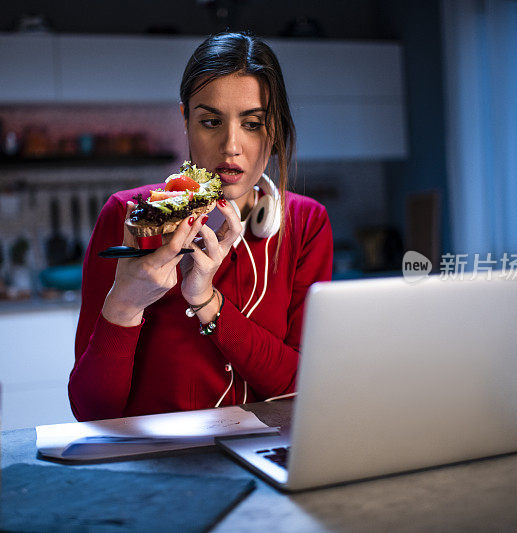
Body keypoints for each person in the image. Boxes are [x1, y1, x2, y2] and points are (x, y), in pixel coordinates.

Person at [69, 32, 333, 421]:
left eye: (253, 123)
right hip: (160, 465)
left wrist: (207, 301)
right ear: (185, 121)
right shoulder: (127, 216)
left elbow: (301, 385)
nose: (231, 145)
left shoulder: (306, 223)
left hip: (267, 461)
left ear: (273, 128)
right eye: (210, 121)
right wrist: (124, 304)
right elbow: (90, 411)